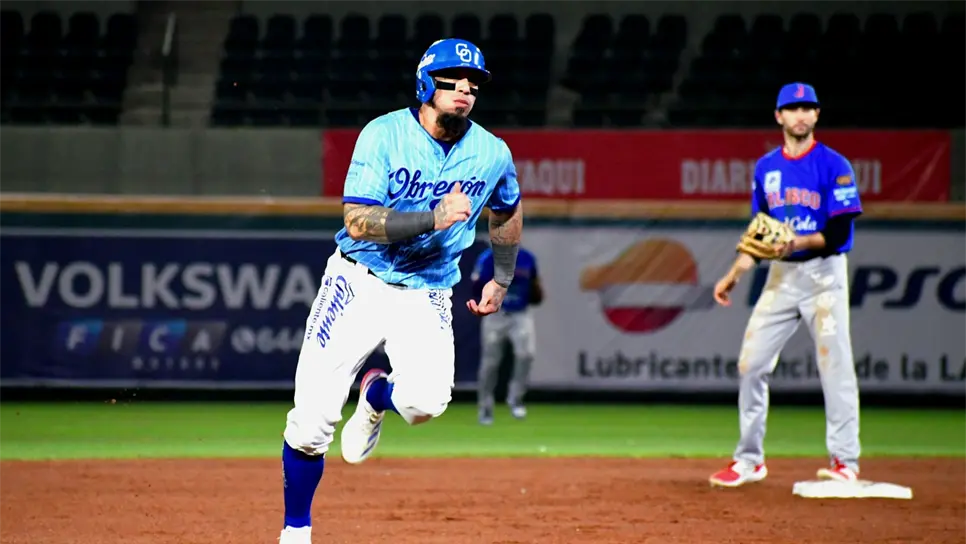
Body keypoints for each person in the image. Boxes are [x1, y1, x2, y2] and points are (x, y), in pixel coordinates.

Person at [278, 38, 523, 543]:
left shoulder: (492, 152)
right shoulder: (383, 134)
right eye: (452, 78)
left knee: (426, 403)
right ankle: (295, 531)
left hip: (428, 288)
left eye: (473, 82)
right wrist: (433, 218)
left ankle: (374, 393)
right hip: (357, 280)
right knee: (310, 422)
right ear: (425, 82)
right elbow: (359, 220)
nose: (465, 89)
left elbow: (507, 209)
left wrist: (501, 277)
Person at [708, 82, 863, 488]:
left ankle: (845, 461)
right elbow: (760, 235)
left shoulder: (835, 165)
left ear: (816, 115)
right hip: (782, 276)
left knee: (836, 366)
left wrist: (795, 241)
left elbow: (837, 229)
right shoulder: (766, 169)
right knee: (751, 364)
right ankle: (749, 460)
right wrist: (734, 274)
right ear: (779, 116)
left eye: (807, 107)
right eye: (792, 108)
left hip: (825, 274)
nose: (800, 115)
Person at [471, 244, 543, 424]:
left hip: (520, 313)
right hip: (496, 314)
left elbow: (535, 283)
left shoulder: (527, 257)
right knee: (490, 362)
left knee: (526, 355)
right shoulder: (487, 258)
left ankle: (516, 398)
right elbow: (476, 285)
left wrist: (535, 291)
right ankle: (485, 407)